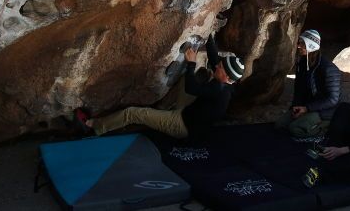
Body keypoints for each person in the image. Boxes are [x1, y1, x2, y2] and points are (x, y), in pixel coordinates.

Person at [83, 33, 244, 140]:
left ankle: (95, 127)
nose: (217, 66)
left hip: (182, 125)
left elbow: (191, 88)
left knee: (132, 113)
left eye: (220, 68)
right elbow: (214, 57)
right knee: (200, 74)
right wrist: (208, 34)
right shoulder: (226, 79)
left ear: (227, 77)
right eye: (220, 65)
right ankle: (165, 109)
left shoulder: (219, 91)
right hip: (190, 111)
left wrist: (191, 64)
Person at [275, 29, 341, 138]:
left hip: (324, 111)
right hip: (306, 106)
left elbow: (333, 100)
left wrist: (307, 109)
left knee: (295, 129)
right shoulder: (302, 64)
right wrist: (296, 106)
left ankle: (326, 126)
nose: (298, 46)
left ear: (311, 46)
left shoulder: (329, 69)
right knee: (280, 125)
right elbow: (299, 89)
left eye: (302, 43)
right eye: (299, 42)